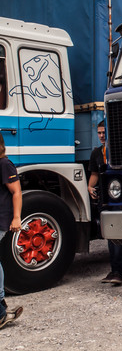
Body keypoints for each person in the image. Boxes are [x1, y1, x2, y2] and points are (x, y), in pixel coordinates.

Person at [88, 121, 122, 286]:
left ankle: (117, 272)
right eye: (99, 133)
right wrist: (89, 186)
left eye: (104, 132)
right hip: (105, 198)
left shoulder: (119, 150)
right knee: (110, 236)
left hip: (119, 197)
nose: (102, 136)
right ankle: (114, 270)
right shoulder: (96, 153)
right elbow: (95, 173)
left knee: (116, 235)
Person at [0, 133, 23, 328]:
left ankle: (0, 310)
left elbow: (16, 192)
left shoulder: (4, 164)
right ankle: (1, 306)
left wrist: (16, 217)